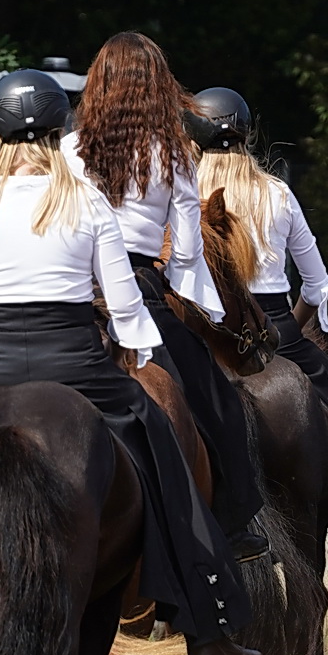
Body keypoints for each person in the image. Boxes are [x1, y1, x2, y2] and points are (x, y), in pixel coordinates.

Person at [0, 69, 261, 655]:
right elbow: (125, 306)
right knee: (162, 443)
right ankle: (206, 624)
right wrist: (138, 347)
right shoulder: (85, 202)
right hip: (77, 362)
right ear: (61, 130)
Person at [61, 32, 267, 561]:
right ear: (158, 87)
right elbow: (188, 247)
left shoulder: (65, 150)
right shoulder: (172, 151)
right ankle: (235, 523)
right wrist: (184, 292)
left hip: (70, 294)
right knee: (213, 401)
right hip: (140, 288)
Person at [188, 87, 328, 576]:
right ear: (247, 132)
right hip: (276, 329)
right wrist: (294, 333)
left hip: (203, 330)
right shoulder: (276, 192)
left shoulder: (179, 195)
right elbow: (317, 282)